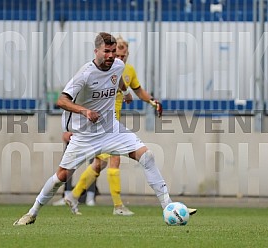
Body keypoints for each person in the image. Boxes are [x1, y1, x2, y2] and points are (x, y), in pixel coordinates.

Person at [13, 32, 196, 226]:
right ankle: (32, 212)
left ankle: (168, 206)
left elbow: (119, 80)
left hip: (111, 129)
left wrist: (125, 92)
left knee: (147, 156)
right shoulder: (85, 74)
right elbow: (62, 100)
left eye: (113, 51)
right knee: (61, 177)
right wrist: (85, 111)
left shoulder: (118, 65)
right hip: (85, 135)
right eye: (106, 51)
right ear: (96, 51)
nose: (111, 55)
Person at [68, 36, 164, 216]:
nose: (120, 59)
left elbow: (138, 90)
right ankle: (118, 206)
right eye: (117, 54)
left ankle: (73, 195)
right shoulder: (100, 69)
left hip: (114, 122)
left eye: (123, 55)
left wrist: (152, 101)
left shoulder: (127, 70)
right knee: (113, 160)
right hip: (101, 125)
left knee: (98, 164)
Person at [52, 131, 97, 207]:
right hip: (75, 134)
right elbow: (67, 119)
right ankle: (67, 195)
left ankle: (90, 196)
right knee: (68, 163)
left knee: (94, 165)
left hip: (92, 132)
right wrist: (66, 130)